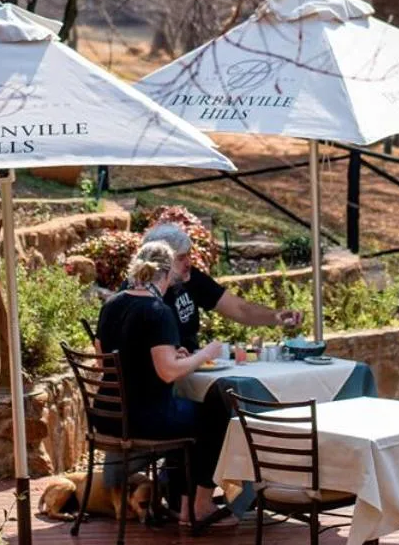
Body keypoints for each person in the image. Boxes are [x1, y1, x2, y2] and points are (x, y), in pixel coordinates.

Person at [95, 239, 234, 528]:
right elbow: (169, 373)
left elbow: (104, 362)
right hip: (146, 419)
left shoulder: (112, 305)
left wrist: (172, 354)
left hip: (108, 416)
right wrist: (204, 355)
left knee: (188, 414)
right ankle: (199, 506)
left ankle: (180, 502)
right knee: (217, 411)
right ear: (167, 274)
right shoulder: (158, 311)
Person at [141, 221, 302, 351]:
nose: (189, 263)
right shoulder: (138, 296)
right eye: (181, 258)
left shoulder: (189, 278)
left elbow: (240, 309)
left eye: (188, 255)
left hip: (190, 370)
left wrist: (275, 316)